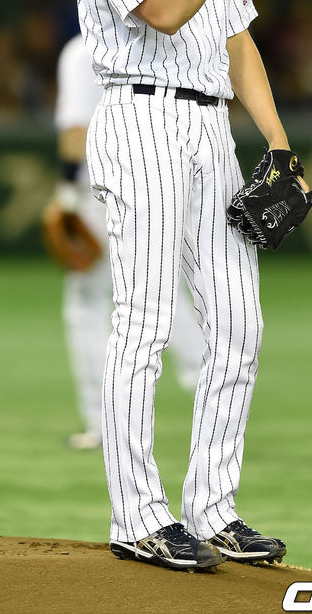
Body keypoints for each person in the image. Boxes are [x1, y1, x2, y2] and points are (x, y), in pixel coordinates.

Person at [72, 0, 310, 571]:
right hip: (140, 116)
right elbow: (167, 12)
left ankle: (213, 507)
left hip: (212, 129)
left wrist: (279, 145)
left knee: (239, 322)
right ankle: (138, 516)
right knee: (143, 323)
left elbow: (238, 42)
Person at [45, 32, 205, 449]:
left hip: (101, 191)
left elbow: (75, 129)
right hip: (164, 183)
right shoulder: (155, 39)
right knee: (164, 296)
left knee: (87, 305)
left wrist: (65, 194)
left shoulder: (82, 50)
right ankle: (213, 388)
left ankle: (102, 423)